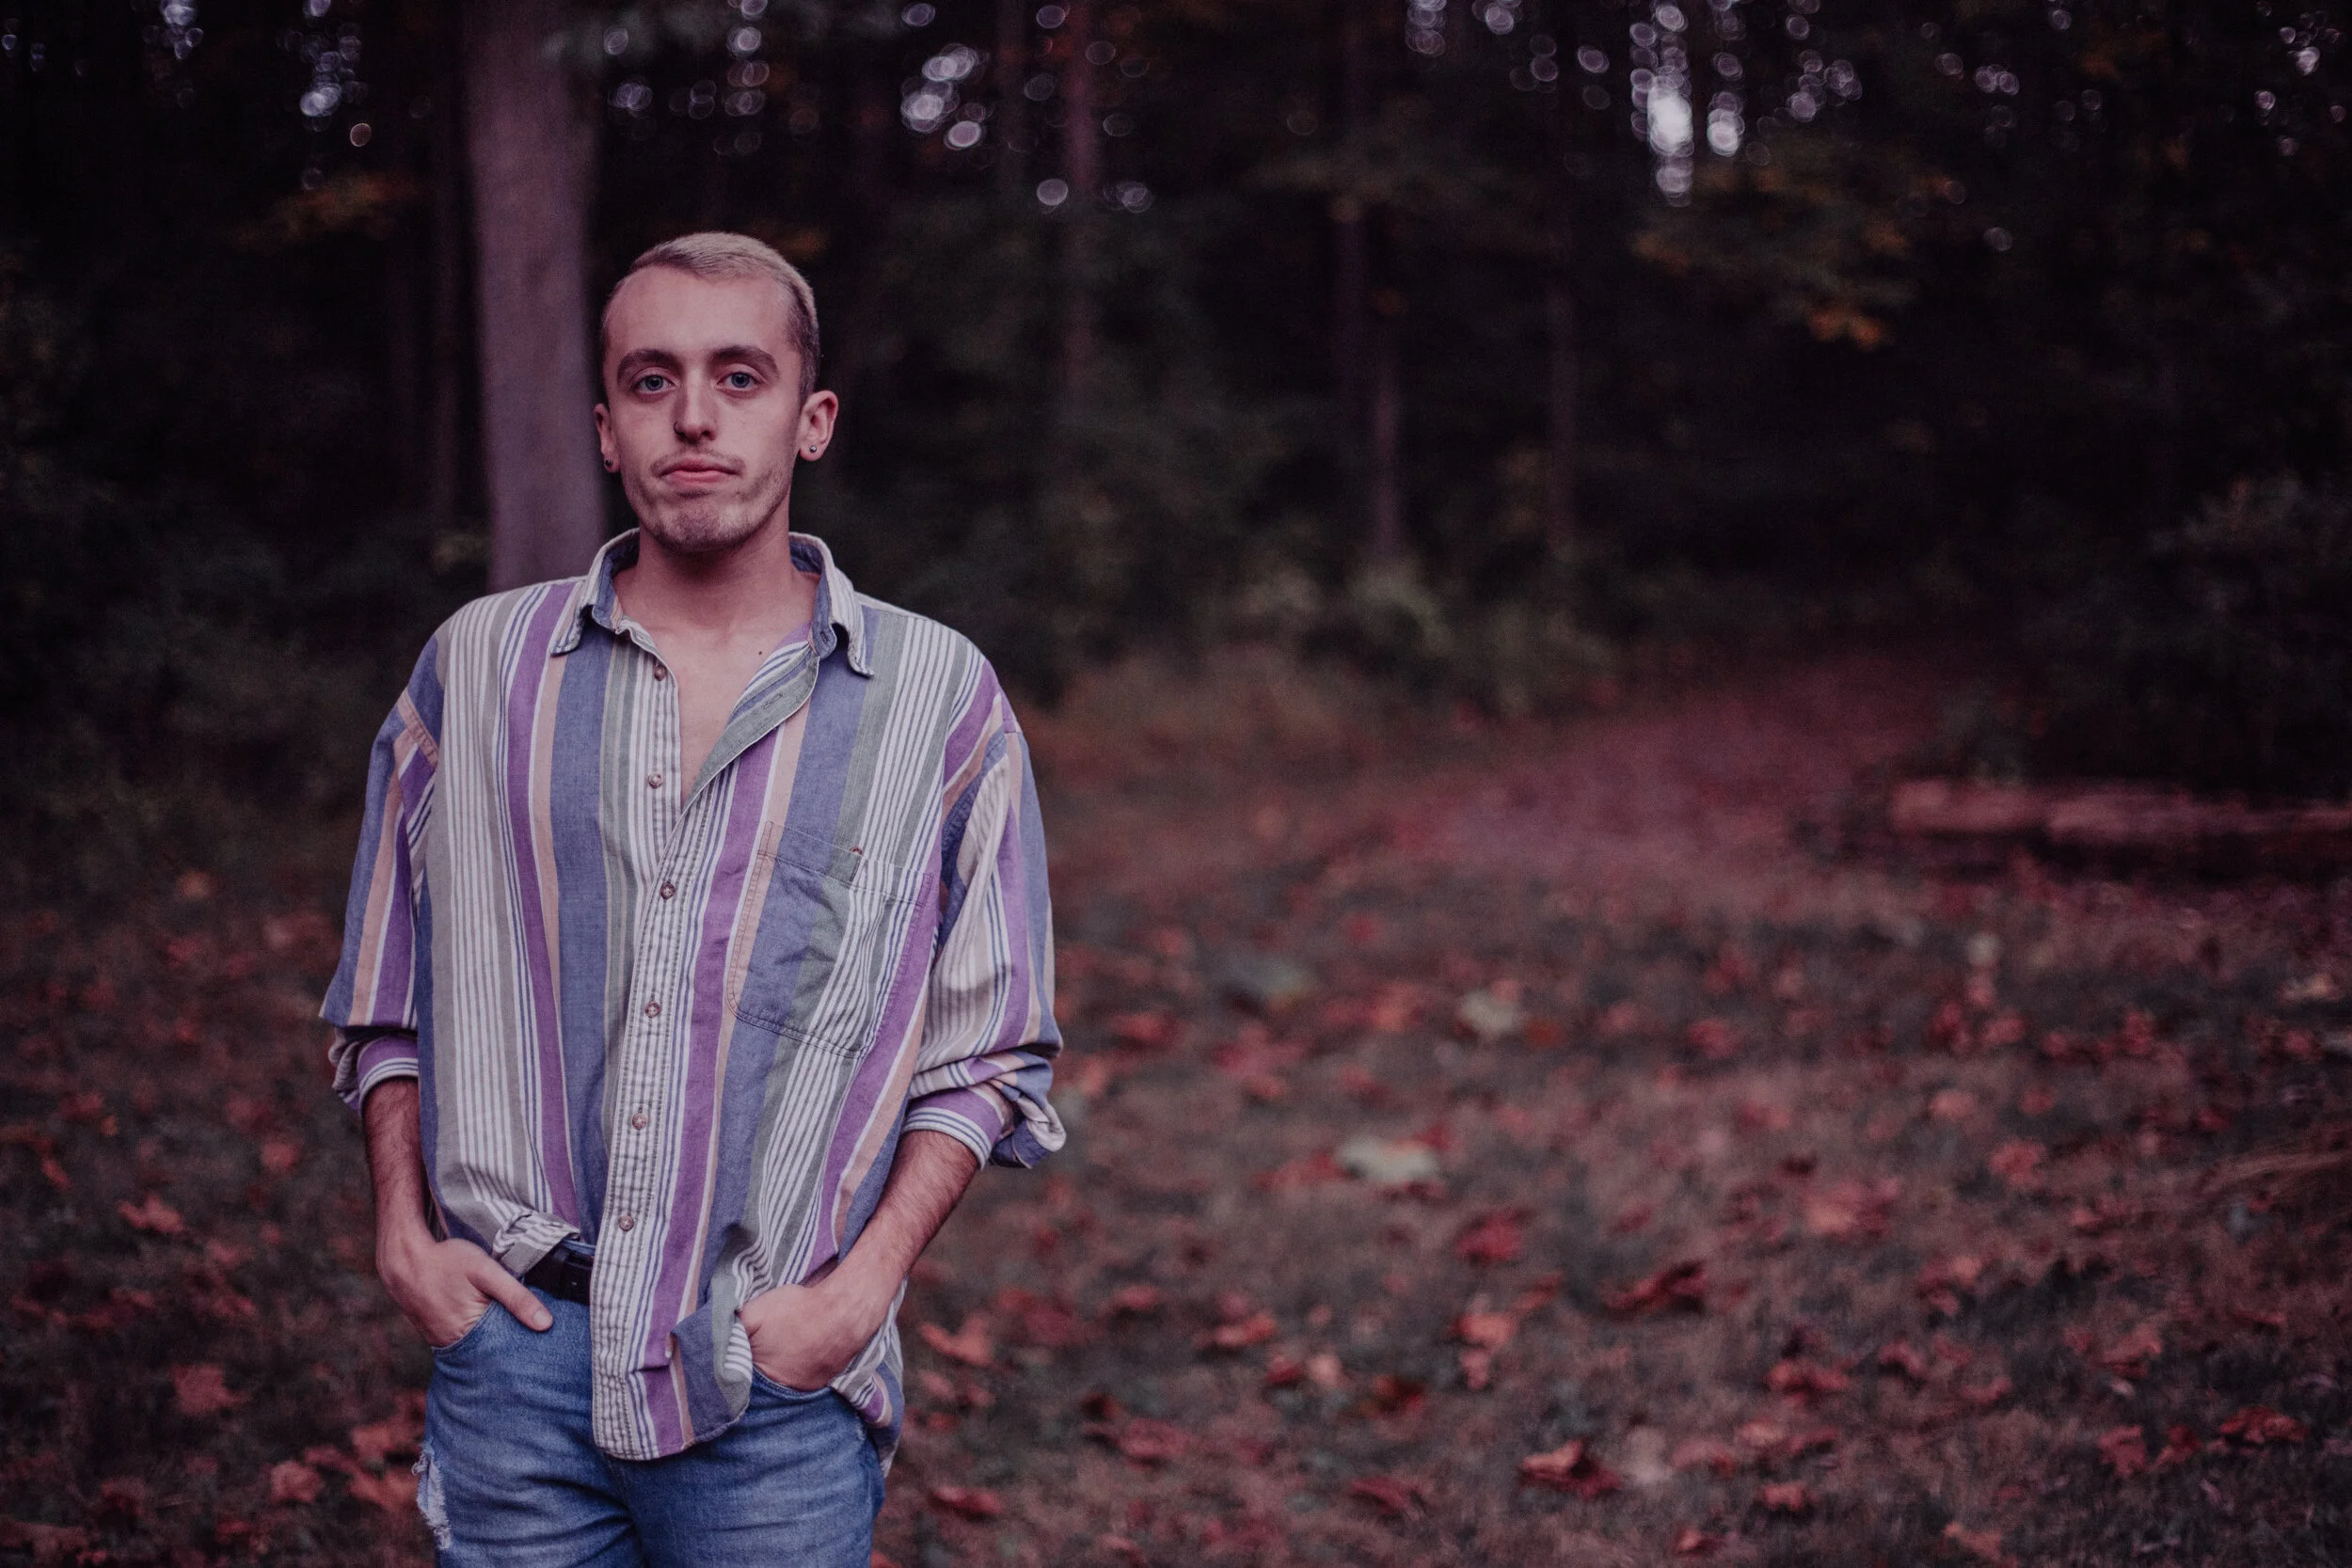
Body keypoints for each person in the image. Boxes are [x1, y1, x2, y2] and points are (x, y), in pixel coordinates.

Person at [322, 231, 1064, 1567]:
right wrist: (402, 1237)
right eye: (652, 381)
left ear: (811, 418)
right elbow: (384, 995)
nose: (697, 417)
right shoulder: (477, 671)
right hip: (512, 1362)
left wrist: (860, 1291)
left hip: (772, 1384)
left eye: (740, 375)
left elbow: (992, 1049)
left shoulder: (938, 702)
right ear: (607, 427)